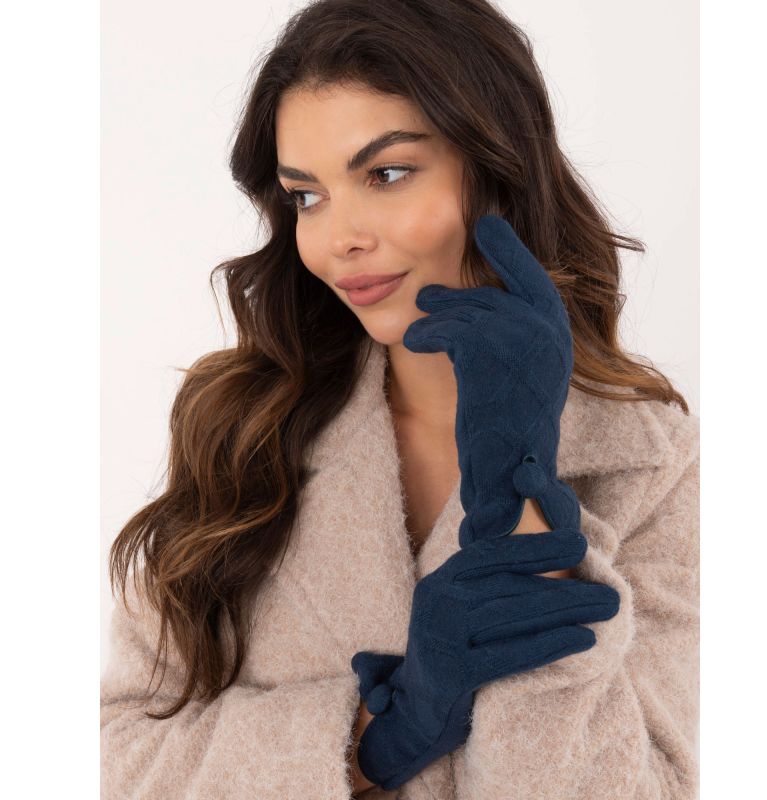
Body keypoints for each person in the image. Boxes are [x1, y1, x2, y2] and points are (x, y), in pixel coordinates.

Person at [101, 1, 700, 798]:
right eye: (306, 196)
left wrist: (523, 490)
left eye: (385, 175)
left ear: (496, 173)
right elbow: (117, 758)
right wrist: (371, 738)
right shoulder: (240, 424)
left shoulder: (650, 463)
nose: (338, 238)